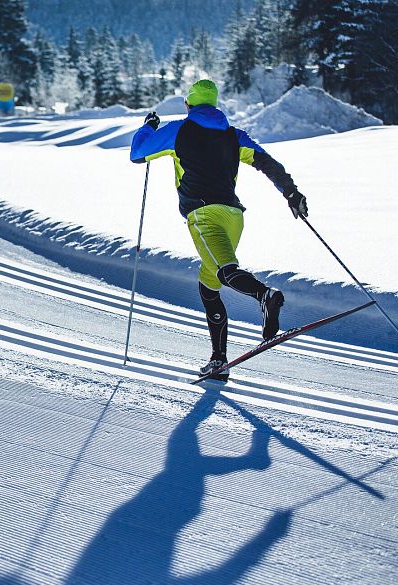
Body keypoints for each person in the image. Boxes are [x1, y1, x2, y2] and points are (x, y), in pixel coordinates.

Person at [129, 79, 308, 380]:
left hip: (203, 215)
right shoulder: (234, 135)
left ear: (190, 105)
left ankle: (265, 296)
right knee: (209, 285)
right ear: (214, 105)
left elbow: (137, 153)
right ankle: (218, 361)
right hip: (234, 215)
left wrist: (149, 126)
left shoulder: (178, 130)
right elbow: (267, 162)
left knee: (225, 270)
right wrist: (291, 192)